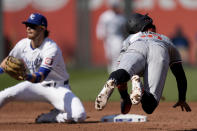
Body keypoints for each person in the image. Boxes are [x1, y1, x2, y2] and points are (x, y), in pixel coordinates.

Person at [95, 13, 191, 114]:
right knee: (149, 107)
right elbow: (180, 75)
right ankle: (141, 90)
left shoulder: (131, 38)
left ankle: (111, 80)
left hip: (137, 46)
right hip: (160, 50)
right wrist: (182, 98)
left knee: (122, 73)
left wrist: (124, 97)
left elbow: (120, 72)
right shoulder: (167, 40)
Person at [0, 13, 86, 123]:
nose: (28, 28)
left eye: (33, 26)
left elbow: (41, 76)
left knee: (79, 115)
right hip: (34, 85)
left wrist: (26, 76)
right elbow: (6, 63)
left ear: (42, 29)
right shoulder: (22, 44)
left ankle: (53, 117)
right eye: (27, 25)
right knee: (5, 94)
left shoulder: (51, 48)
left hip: (57, 88)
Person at [96, 0, 127, 73]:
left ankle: (116, 69)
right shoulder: (105, 16)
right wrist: (101, 35)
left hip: (118, 37)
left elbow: (124, 28)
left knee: (117, 52)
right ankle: (110, 69)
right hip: (108, 38)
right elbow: (101, 27)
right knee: (109, 54)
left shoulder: (121, 17)